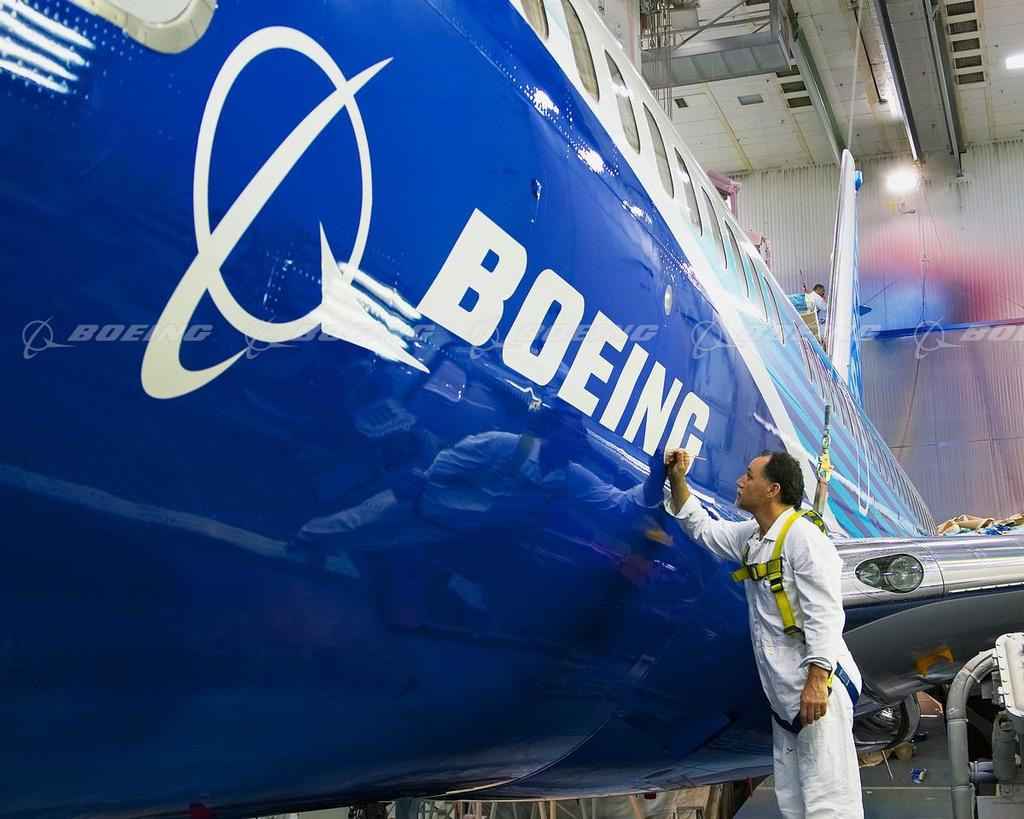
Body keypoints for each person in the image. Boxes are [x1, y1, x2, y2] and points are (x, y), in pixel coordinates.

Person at [662, 448, 863, 819]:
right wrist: (677, 480)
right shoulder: (753, 538)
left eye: (749, 476)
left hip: (820, 693)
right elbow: (703, 528)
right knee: (794, 803)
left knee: (830, 804)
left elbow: (825, 612)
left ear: (772, 489)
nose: (740, 481)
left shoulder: (803, 537)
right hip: (787, 698)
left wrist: (818, 681)